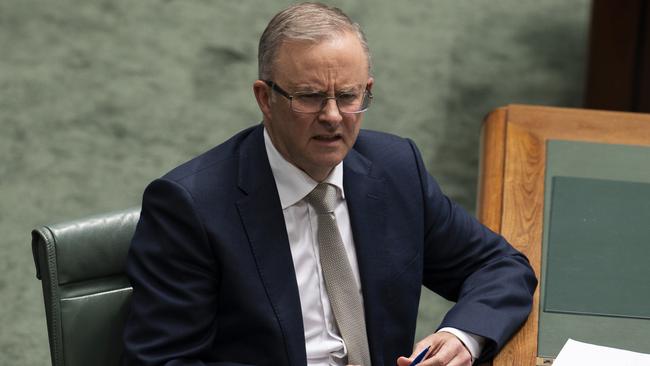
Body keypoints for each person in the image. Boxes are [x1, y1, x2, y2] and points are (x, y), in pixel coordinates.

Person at [122, 3, 537, 366]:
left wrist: (461, 337)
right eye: (310, 97)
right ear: (265, 98)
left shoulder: (395, 170)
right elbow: (161, 360)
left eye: (349, 96)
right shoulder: (190, 207)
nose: (333, 116)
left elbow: (500, 267)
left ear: (367, 91)